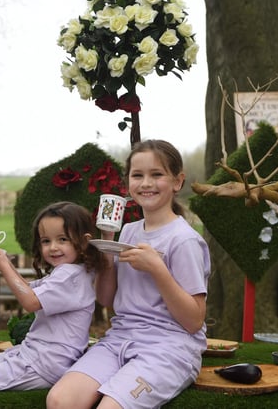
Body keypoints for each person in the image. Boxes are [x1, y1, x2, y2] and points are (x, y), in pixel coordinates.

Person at [47, 140, 211, 409]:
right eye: (138, 175)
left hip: (169, 348)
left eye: (156, 174)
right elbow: (106, 299)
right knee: (59, 399)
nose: (146, 183)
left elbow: (193, 321)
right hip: (120, 339)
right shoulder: (129, 232)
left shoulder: (184, 241)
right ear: (127, 184)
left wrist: (158, 269)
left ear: (177, 181)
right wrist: (107, 245)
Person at [0, 201, 106, 409]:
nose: (53, 247)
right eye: (46, 241)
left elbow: (30, 301)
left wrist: (4, 266)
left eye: (62, 239)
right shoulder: (76, 272)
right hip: (41, 356)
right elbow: (29, 290)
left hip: (41, 363)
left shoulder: (68, 276)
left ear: (83, 242)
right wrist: (3, 264)